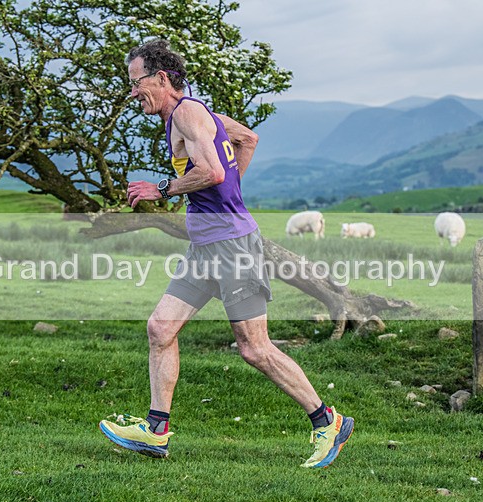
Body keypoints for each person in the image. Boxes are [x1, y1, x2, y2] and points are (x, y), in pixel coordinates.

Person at [99, 39, 353, 468]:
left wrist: (160, 188)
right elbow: (247, 139)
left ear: (161, 78)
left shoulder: (187, 113)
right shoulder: (196, 113)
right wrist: (227, 198)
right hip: (206, 246)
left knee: (254, 348)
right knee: (160, 328)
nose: (132, 92)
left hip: (233, 248)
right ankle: (156, 431)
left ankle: (329, 421)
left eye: (136, 82)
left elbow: (214, 170)